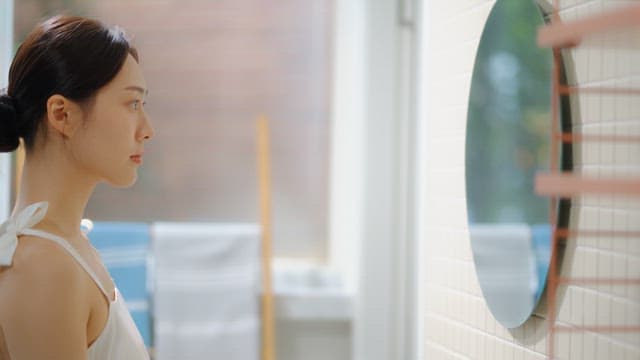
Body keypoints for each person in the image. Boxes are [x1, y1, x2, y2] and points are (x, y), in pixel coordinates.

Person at [0, 14, 154, 359]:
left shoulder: (65, 249)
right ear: (61, 114)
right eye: (132, 103)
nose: (147, 129)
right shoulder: (43, 267)